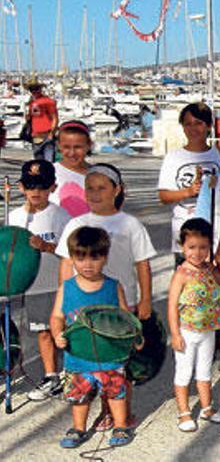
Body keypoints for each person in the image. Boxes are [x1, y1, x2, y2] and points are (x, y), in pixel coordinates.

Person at [56, 163, 156, 430]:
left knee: (118, 361)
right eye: (90, 188)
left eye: (102, 188)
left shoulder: (130, 224)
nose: (95, 193)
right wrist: (65, 303)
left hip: (120, 303)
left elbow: (142, 265)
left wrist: (146, 299)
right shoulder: (76, 224)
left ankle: (118, 412)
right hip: (84, 308)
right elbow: (66, 266)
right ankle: (103, 411)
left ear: (117, 190)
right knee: (90, 359)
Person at [51, 226, 134, 448]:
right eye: (81, 257)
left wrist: (133, 337)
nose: (88, 264)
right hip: (78, 356)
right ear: (72, 258)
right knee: (80, 395)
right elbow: (57, 316)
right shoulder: (66, 288)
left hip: (109, 354)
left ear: (105, 257)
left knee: (116, 392)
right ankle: (78, 428)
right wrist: (57, 333)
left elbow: (126, 317)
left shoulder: (113, 287)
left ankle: (120, 425)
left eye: (95, 257)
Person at [9, 160, 71, 401]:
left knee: (64, 331)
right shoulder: (14, 216)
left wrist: (46, 246)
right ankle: (51, 375)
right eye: (31, 185)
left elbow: (71, 251)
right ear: (22, 187)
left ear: (53, 187)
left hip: (58, 284)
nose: (36, 191)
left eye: (42, 186)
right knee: (43, 332)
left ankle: (74, 374)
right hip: (33, 285)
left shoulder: (59, 215)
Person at [167, 218, 220, 432]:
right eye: (192, 247)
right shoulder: (181, 274)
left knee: (204, 370)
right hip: (187, 331)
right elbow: (172, 305)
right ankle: (183, 412)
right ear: (182, 247)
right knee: (184, 371)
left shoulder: (208, 268)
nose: (197, 253)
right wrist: (175, 334)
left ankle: (206, 407)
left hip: (207, 330)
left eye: (203, 247)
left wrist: (218, 262)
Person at [157, 102, 220, 263]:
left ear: (209, 126)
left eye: (198, 123)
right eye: (188, 124)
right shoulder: (173, 158)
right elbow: (163, 196)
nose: (193, 129)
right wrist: (188, 191)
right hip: (185, 240)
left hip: (215, 237)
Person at [50, 120, 92, 218]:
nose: (72, 153)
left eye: (78, 147)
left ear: (89, 145)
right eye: (66, 147)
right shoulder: (49, 173)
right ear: (58, 145)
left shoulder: (100, 175)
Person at [25, 81, 59, 160]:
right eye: (31, 89)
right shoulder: (32, 102)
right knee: (38, 162)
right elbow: (31, 118)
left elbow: (55, 118)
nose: (34, 91)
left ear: (40, 89)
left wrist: (52, 133)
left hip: (47, 134)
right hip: (36, 136)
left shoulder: (48, 101)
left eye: (36, 89)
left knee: (48, 162)